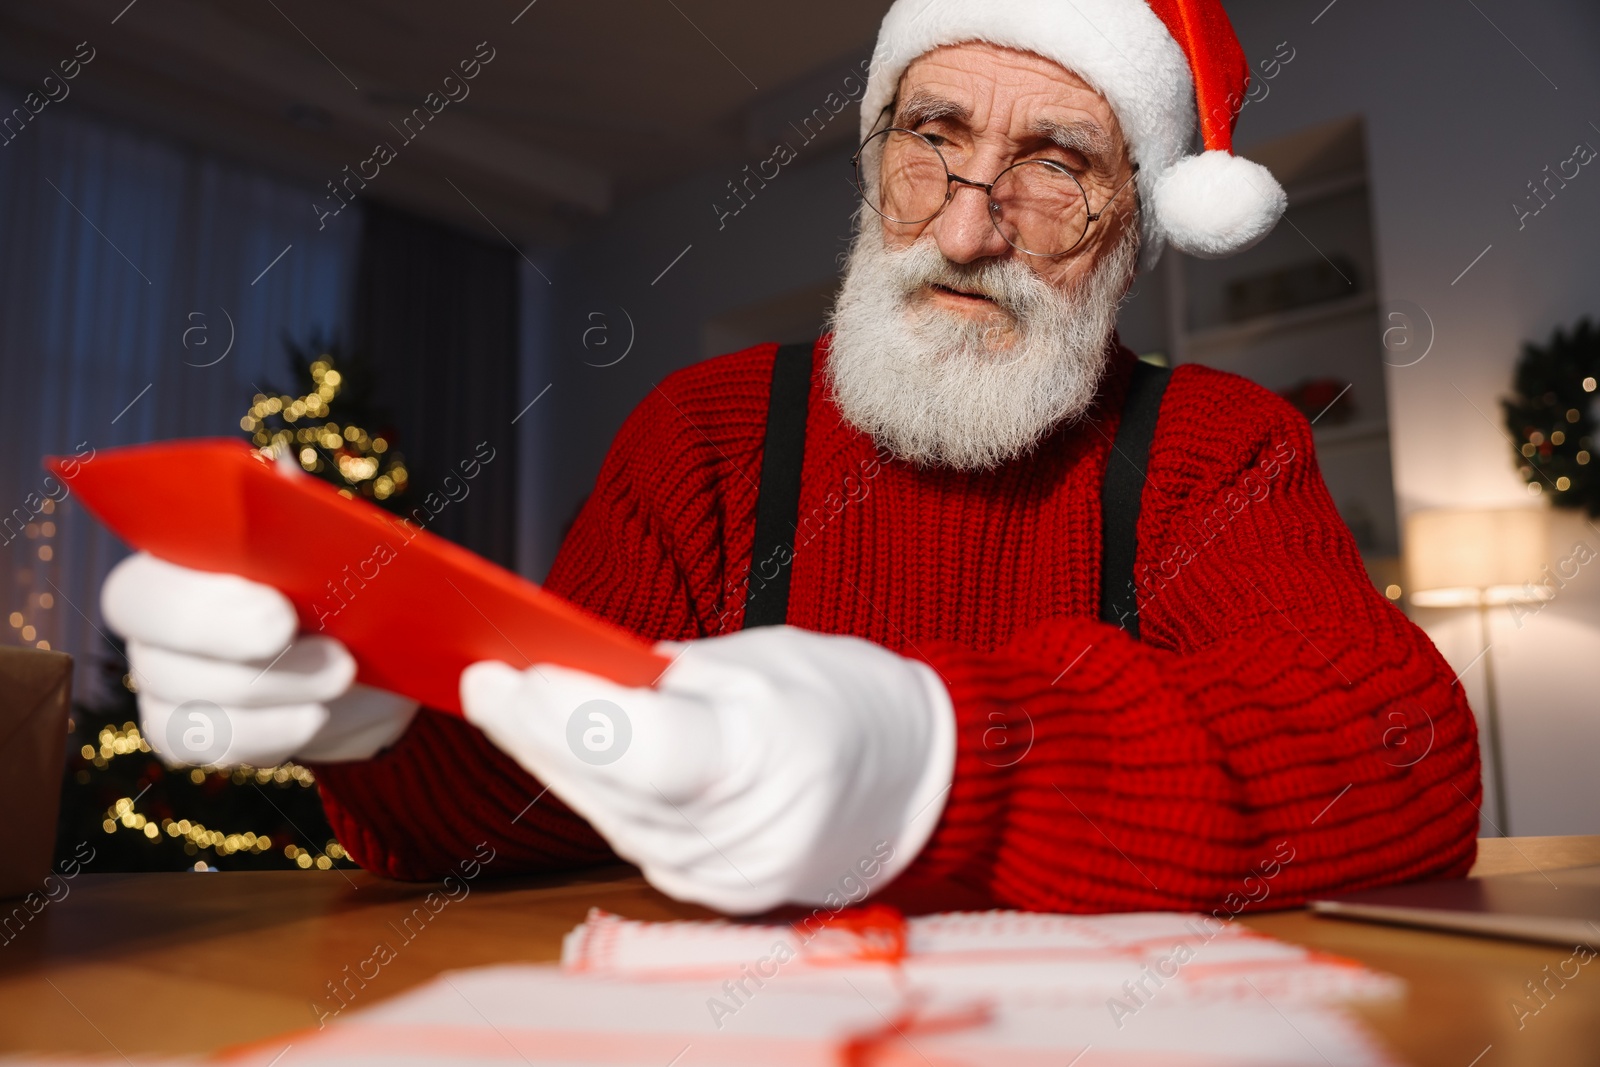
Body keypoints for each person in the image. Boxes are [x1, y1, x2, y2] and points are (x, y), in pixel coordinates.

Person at [102, 0, 1480, 915]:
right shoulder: (702, 436)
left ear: (1131, 231)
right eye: (932, 144)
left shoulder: (1219, 450)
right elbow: (541, 797)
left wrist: (943, 760)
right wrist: (386, 717)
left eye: (1056, 166)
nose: (964, 227)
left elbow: (1399, 754)